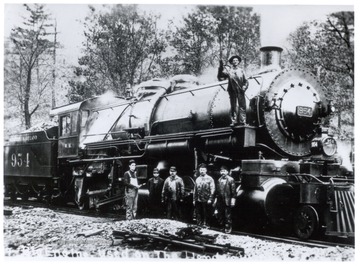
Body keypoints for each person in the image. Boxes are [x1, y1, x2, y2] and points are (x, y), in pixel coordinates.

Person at [218, 55, 249, 126]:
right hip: (232, 90)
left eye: (236, 60)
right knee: (233, 106)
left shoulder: (241, 71)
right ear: (232, 62)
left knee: (242, 106)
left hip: (240, 91)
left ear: (238, 62)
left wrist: (244, 87)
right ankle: (234, 121)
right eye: (234, 61)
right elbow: (221, 76)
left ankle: (243, 121)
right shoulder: (229, 71)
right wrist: (221, 66)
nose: (235, 62)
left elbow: (246, 81)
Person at [193, 163, 215, 228]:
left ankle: (207, 224)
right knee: (199, 212)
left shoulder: (210, 179)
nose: (202, 171)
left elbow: (212, 189)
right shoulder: (197, 179)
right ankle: (199, 224)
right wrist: (194, 199)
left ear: (206, 170)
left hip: (207, 199)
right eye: (201, 170)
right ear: (199, 170)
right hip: (199, 199)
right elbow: (195, 190)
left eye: (203, 170)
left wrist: (210, 199)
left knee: (207, 213)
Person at [215, 165, 236, 233]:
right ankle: (222, 227)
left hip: (227, 200)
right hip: (220, 199)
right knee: (220, 214)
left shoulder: (231, 179)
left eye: (224, 171)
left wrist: (233, 200)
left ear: (227, 172)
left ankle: (228, 228)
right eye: (221, 171)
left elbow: (233, 191)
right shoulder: (219, 180)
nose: (222, 173)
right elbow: (217, 191)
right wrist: (216, 199)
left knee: (227, 215)